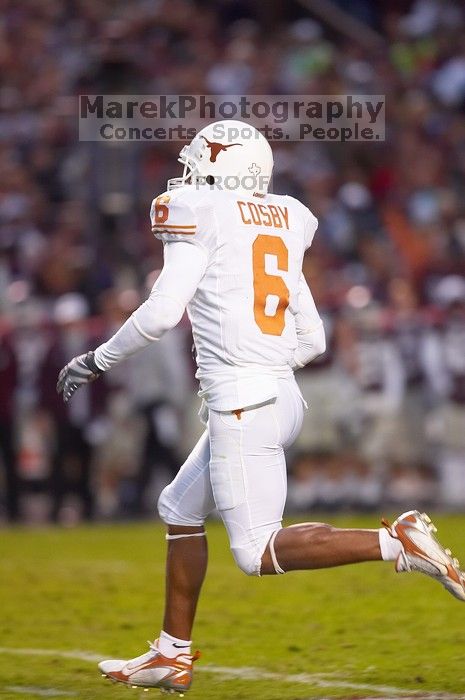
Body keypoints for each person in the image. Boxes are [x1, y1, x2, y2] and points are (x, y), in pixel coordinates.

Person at [56, 120, 465, 694]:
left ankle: (397, 540)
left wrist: (95, 360)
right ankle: (170, 656)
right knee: (178, 505)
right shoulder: (286, 217)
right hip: (279, 395)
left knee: (255, 552)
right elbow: (315, 339)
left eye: (201, 164)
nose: (190, 174)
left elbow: (159, 314)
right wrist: (265, 367)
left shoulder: (200, 212)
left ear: (223, 170)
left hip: (245, 403)